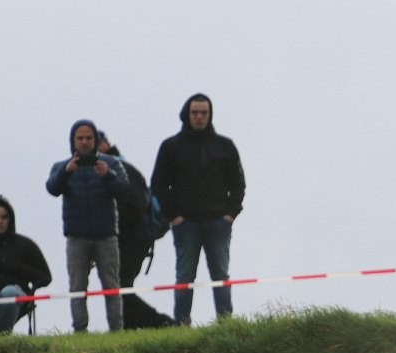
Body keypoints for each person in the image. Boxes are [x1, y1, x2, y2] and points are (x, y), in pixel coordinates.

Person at [151, 93, 246, 324]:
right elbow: (158, 184)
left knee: (220, 275)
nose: (199, 117)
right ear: (187, 114)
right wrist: (173, 216)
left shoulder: (225, 145)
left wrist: (230, 214)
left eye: (204, 113)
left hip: (218, 223)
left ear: (210, 115)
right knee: (185, 276)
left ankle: (226, 324)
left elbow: (238, 183)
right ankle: (182, 324)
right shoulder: (171, 146)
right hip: (186, 224)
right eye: (195, 113)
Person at [46, 120, 130, 332]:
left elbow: (124, 189)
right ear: (73, 141)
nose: (84, 142)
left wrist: (108, 175)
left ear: (95, 140)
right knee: (77, 288)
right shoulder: (61, 166)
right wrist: (66, 172)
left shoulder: (110, 163)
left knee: (111, 286)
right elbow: (52, 188)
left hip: (106, 235)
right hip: (77, 236)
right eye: (80, 138)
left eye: (88, 138)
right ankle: (80, 331)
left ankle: (116, 331)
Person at [98, 130, 176, 329]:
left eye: (94, 142)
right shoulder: (103, 172)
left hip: (133, 239)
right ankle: (136, 329)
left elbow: (135, 207)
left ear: (106, 144)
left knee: (118, 290)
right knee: (119, 290)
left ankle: (162, 324)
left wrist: (112, 232)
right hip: (125, 239)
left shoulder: (122, 169)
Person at [0, 195, 52, 334]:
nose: (0, 221)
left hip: (16, 293)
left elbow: (45, 277)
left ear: (10, 219)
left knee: (9, 293)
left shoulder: (24, 245)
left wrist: (20, 267)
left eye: (4, 217)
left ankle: (2, 336)